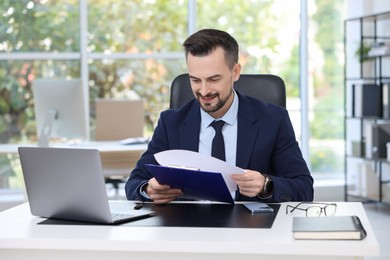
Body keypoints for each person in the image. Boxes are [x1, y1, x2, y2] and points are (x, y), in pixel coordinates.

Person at [125, 28, 313, 204]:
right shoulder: (171, 123)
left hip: (249, 231)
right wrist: (148, 190)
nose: (204, 91)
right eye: (195, 80)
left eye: (214, 79)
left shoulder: (273, 120)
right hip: (186, 229)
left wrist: (266, 185)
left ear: (235, 72)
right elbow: (134, 183)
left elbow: (304, 188)